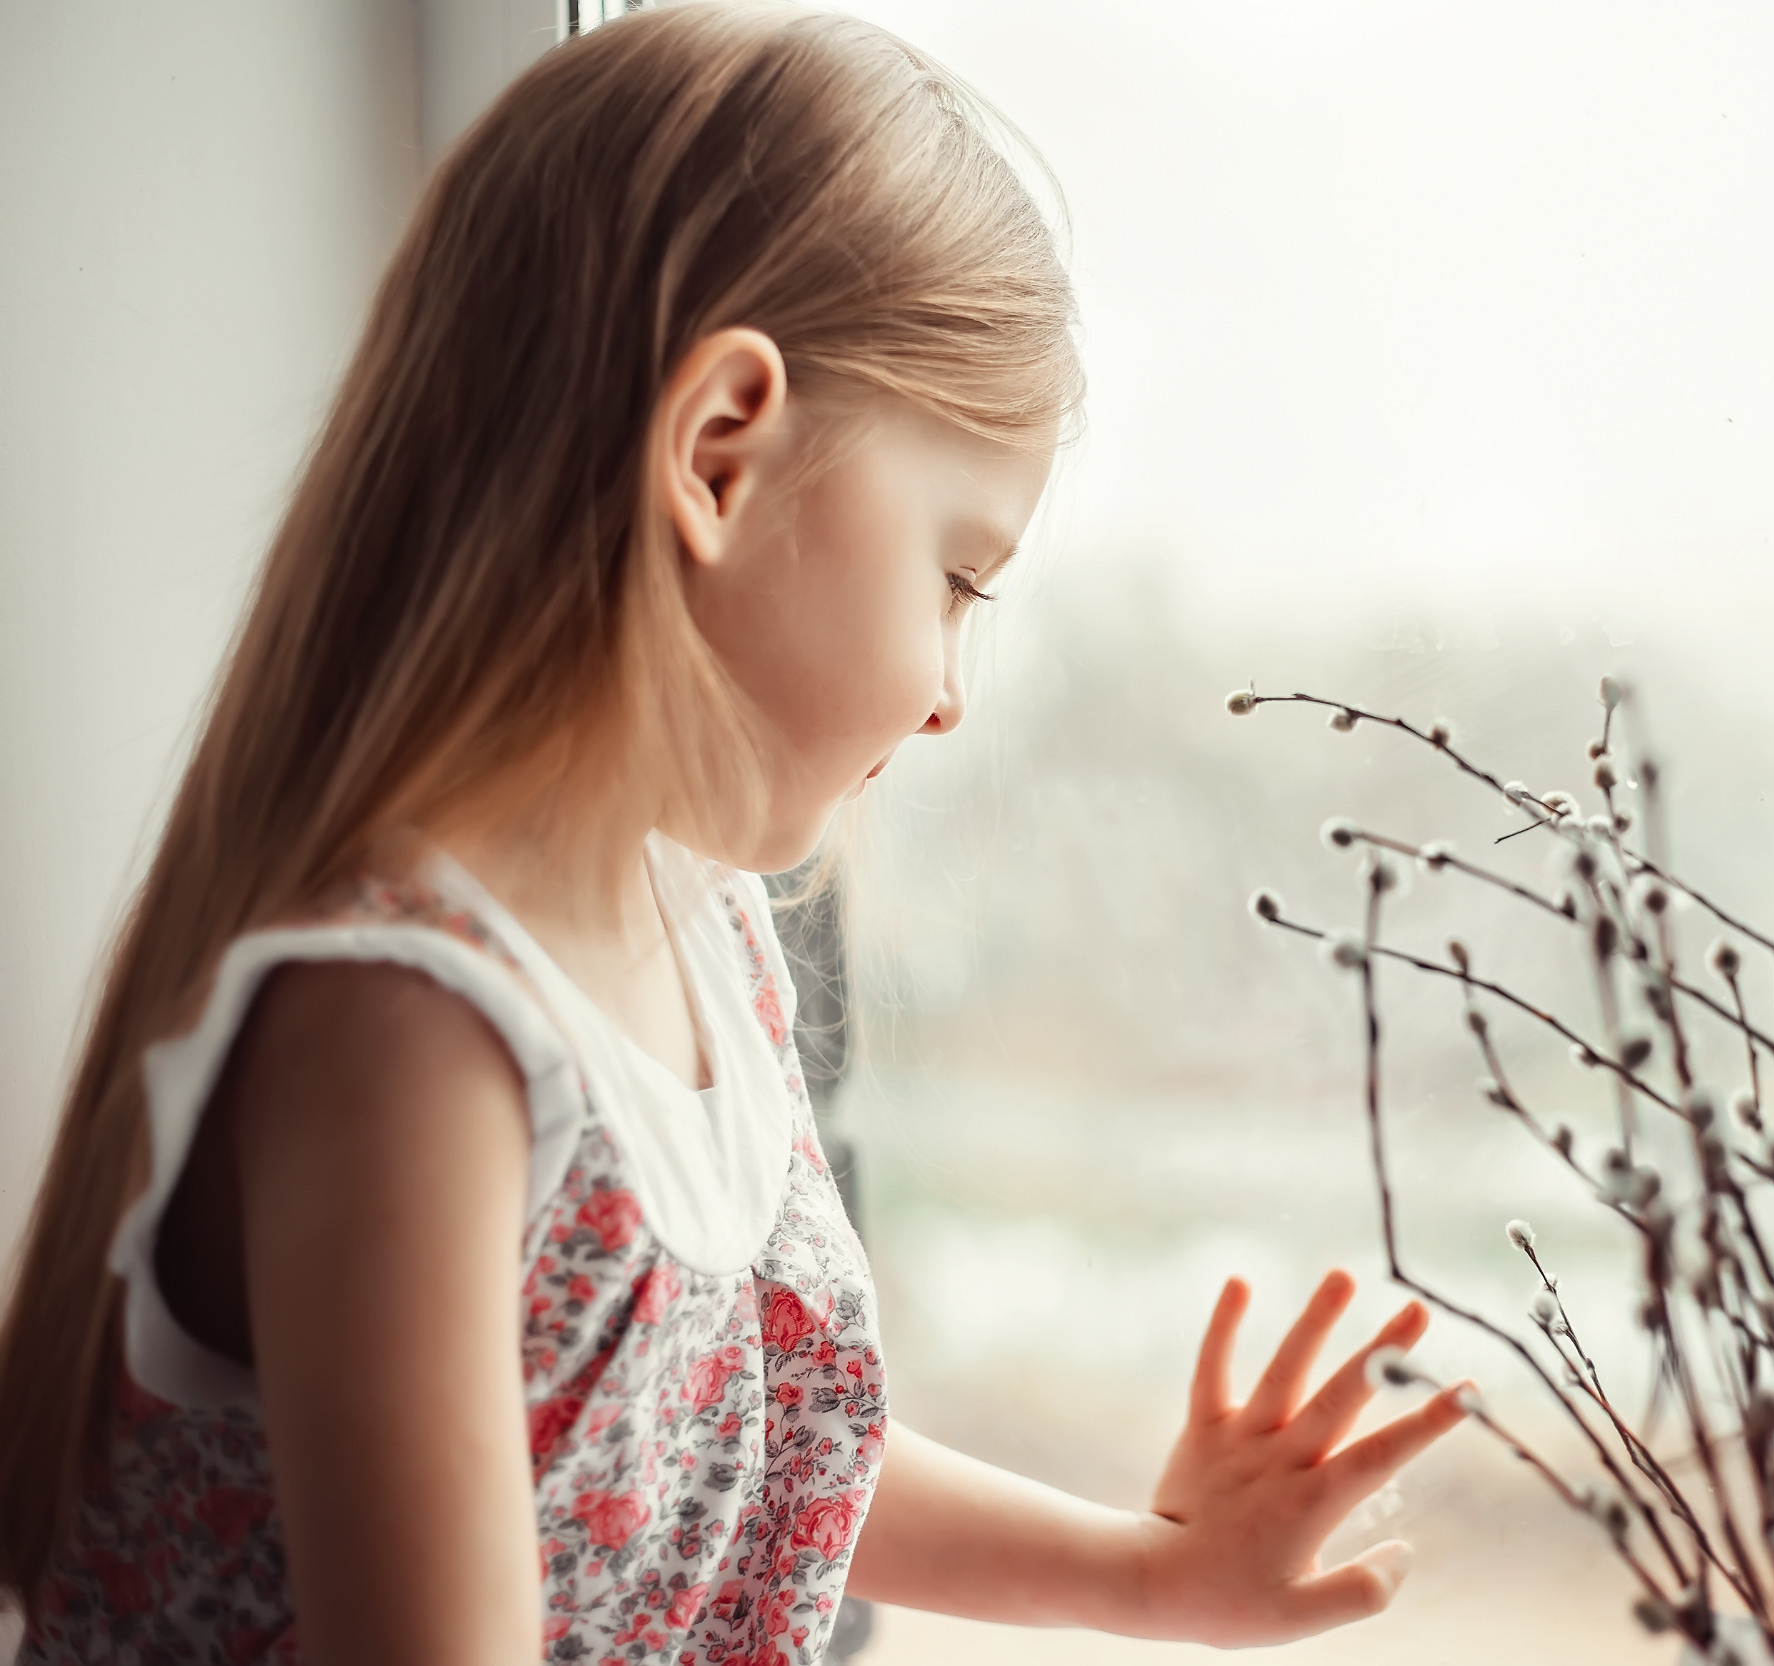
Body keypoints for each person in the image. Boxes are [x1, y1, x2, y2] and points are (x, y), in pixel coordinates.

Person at [0, 7, 1468, 1660]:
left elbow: (729, 1455)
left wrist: (1145, 1575)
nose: (948, 702)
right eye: (957, 578)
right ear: (720, 455)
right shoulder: (409, 1042)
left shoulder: (693, 933)